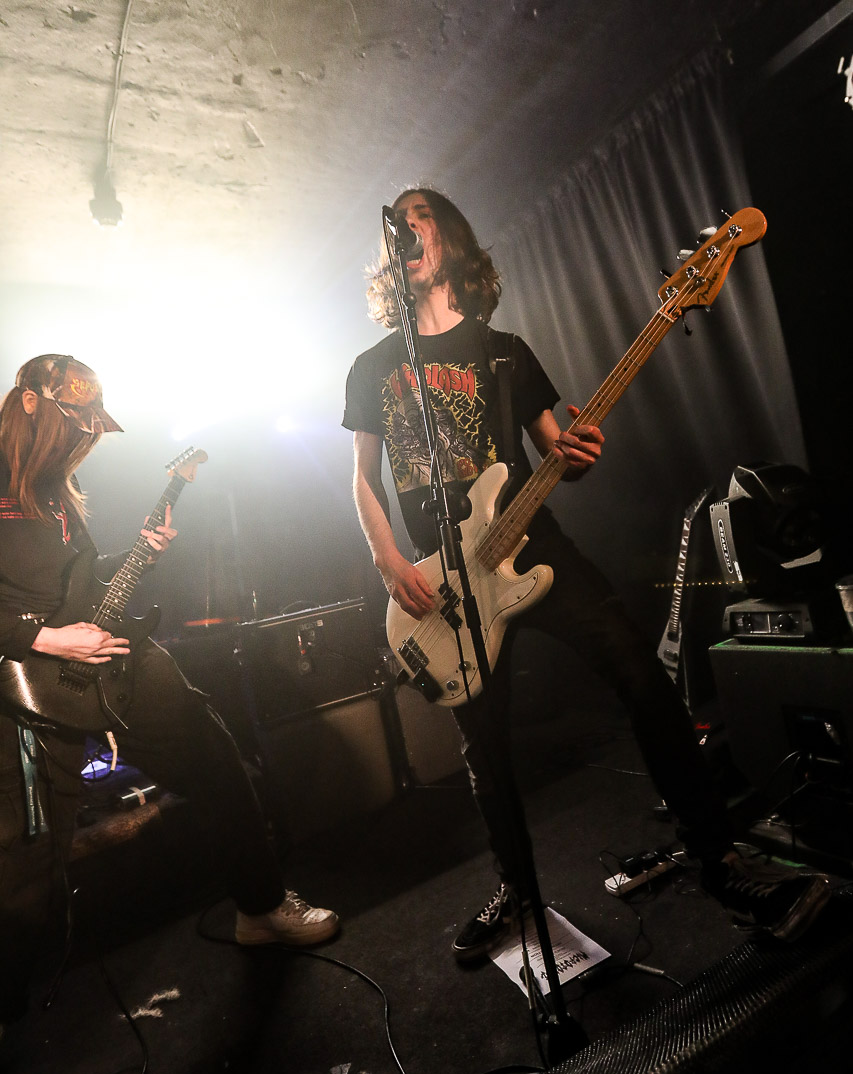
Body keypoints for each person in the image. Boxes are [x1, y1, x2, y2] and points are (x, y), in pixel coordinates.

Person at [342, 187, 831, 960]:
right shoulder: (372, 366)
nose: (405, 225)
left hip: (535, 549)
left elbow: (556, 451)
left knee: (642, 677)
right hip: (444, 581)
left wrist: (575, 453)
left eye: (420, 214)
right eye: (395, 218)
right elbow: (363, 476)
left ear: (449, 238)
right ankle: (515, 889)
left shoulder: (503, 350)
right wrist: (386, 557)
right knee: (483, 745)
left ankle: (718, 861)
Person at [0, 354, 338, 1029]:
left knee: (214, 757)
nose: (83, 439)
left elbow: (76, 581)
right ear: (31, 403)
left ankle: (261, 908)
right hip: (27, 679)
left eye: (90, 429)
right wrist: (44, 639)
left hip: (113, 655)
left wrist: (139, 556)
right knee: (25, 859)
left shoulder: (58, 490)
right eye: (74, 423)